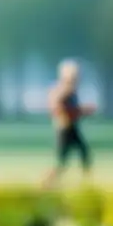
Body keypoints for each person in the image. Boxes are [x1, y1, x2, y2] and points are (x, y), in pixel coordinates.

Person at [42, 59, 96, 188]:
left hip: (72, 127)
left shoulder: (71, 90)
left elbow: (73, 109)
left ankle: (87, 182)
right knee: (61, 162)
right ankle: (46, 184)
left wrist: (82, 111)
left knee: (84, 152)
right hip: (64, 129)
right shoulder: (62, 89)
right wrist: (78, 111)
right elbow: (57, 107)